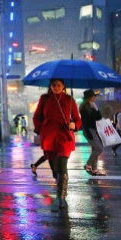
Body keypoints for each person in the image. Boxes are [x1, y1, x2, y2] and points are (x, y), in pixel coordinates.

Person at [33, 78, 82, 209]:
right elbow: (37, 117)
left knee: (62, 165)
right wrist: (40, 128)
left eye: (59, 85)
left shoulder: (69, 100)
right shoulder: (45, 99)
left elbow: (77, 119)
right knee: (55, 167)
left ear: (63, 86)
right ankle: (58, 180)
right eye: (53, 85)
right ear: (51, 86)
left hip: (64, 136)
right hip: (49, 136)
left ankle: (62, 197)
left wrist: (74, 125)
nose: (56, 87)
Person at [79, 89, 106, 176]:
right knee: (99, 148)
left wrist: (96, 109)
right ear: (89, 97)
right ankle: (88, 165)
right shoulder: (84, 108)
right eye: (94, 96)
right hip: (89, 130)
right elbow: (85, 121)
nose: (95, 97)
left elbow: (99, 117)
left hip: (94, 130)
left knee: (95, 149)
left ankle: (94, 169)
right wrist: (88, 133)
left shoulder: (92, 105)